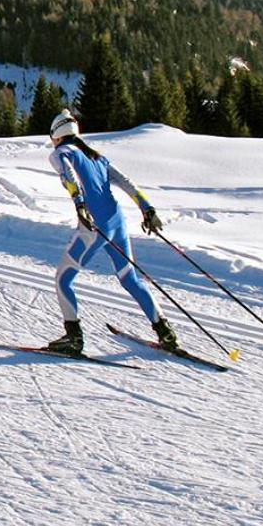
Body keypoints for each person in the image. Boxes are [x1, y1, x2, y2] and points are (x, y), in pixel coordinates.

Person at [44, 109, 178, 356]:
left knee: (63, 278)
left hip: (93, 227)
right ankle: (165, 332)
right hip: (117, 223)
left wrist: (80, 205)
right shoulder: (97, 157)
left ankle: (73, 338)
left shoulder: (60, 153)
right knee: (130, 279)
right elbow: (126, 181)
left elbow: (69, 174)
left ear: (56, 134)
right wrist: (147, 209)